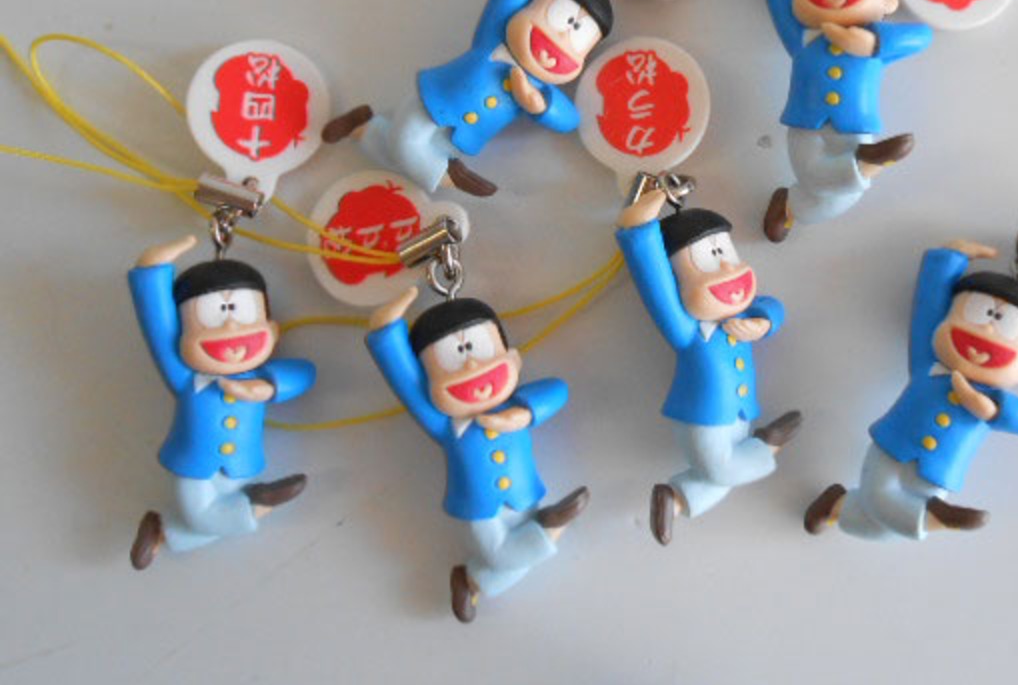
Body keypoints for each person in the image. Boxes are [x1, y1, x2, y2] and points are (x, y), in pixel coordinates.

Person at [323, 0, 612, 196]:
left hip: (463, 136)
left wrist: (539, 104)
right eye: (561, 19)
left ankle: (363, 127)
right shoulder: (496, 34)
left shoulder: (539, 88)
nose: (558, 41)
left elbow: (570, 119)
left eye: (579, 38)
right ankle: (446, 174)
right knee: (406, 141)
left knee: (399, 157)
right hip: (435, 101)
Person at [804, 240, 1018, 541]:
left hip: (939, 469)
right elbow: (929, 304)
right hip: (893, 446)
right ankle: (937, 519)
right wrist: (950, 258)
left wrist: (993, 409)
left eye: (1005, 326)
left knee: (882, 530)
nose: (987, 329)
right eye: (978, 313)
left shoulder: (991, 400)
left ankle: (837, 505)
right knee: (880, 498)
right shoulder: (928, 363)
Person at [365, 287, 587, 622]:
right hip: (478, 507)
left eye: (479, 350)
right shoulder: (444, 424)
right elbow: (407, 384)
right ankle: (549, 527)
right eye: (453, 359)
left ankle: (473, 580)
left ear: (512, 358)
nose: (470, 363)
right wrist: (386, 331)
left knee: (504, 560)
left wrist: (524, 413)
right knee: (499, 556)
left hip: (523, 494)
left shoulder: (514, 404)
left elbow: (556, 389)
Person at [616, 190, 802, 545]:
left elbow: (772, 305)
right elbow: (655, 287)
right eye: (711, 258)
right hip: (704, 414)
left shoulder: (742, 315)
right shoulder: (686, 329)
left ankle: (676, 500)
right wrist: (639, 230)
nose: (727, 267)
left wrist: (764, 321)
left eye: (725, 252)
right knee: (722, 469)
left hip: (742, 412)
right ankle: (768, 445)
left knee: (720, 477)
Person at [127, 235, 316, 569]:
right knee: (201, 516)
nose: (230, 325)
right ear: (184, 337)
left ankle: (164, 532)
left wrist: (267, 387)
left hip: (240, 463)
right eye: (212, 318)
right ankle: (257, 503)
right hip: (194, 464)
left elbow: (304, 372)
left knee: (202, 521)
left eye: (243, 315)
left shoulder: (259, 376)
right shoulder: (185, 378)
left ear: (272, 330)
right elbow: (158, 330)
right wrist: (152, 270)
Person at [755, 0, 932, 241]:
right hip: (806, 122)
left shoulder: (875, 43)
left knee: (830, 192)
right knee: (817, 177)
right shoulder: (801, 36)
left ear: (888, 0)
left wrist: (873, 42)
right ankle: (866, 165)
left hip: (855, 125)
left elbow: (922, 35)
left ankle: (791, 205)